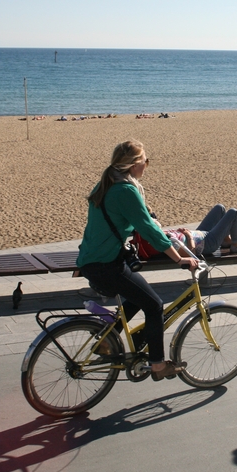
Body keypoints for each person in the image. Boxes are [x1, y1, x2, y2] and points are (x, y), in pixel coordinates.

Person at [76, 140, 199, 381]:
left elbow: (123, 220)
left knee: (137, 296)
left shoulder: (106, 183)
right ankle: (157, 365)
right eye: (145, 162)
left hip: (92, 260)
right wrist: (179, 259)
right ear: (134, 165)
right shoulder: (126, 190)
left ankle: (106, 343)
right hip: (107, 265)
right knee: (154, 305)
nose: (146, 166)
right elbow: (150, 231)